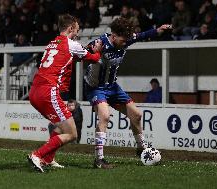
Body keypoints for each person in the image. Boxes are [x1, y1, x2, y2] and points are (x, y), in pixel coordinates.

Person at [84, 17, 171, 169]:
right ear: (114, 36)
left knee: (136, 115)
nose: (125, 43)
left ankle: (141, 148)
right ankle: (99, 159)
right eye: (123, 41)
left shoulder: (124, 39)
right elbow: (81, 55)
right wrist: (94, 54)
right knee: (104, 116)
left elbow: (142, 35)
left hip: (112, 87)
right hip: (96, 87)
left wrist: (158, 30)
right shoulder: (99, 43)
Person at [27, 14, 102, 173]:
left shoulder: (51, 43)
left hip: (35, 91)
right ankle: (37, 155)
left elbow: (66, 59)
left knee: (60, 127)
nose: (77, 34)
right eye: (76, 30)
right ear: (70, 29)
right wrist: (98, 51)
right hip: (48, 91)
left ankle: (48, 159)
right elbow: (93, 58)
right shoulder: (71, 44)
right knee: (72, 133)